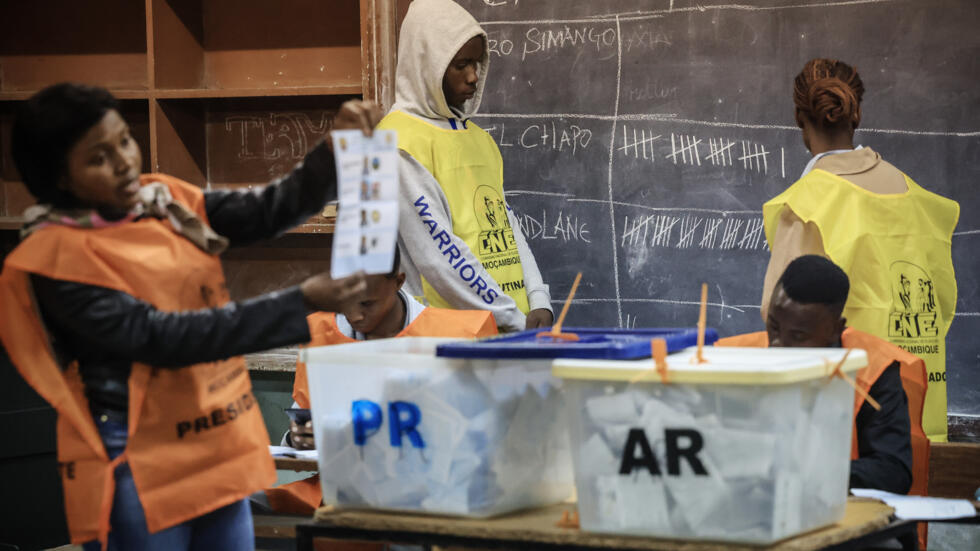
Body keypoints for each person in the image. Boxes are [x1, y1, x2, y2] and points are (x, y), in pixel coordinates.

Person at [0, 83, 381, 550]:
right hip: (139, 455)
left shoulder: (164, 202)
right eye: (99, 158)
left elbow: (265, 211)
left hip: (213, 434)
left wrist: (333, 154)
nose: (124, 162)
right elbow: (162, 337)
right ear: (60, 179)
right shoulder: (55, 257)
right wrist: (299, 301)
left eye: (124, 140)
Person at [760, 58, 959, 442]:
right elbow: (944, 303)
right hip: (919, 413)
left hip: (849, 421)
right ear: (857, 114)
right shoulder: (917, 197)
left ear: (799, 119)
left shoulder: (809, 204)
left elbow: (779, 316)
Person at [264, 246, 498, 514]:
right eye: (343, 301)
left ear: (398, 281)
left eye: (367, 303)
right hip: (342, 493)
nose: (354, 315)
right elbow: (300, 432)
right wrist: (299, 439)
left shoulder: (456, 338)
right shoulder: (320, 334)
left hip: (434, 494)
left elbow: (486, 442)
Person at [718, 255, 929, 545]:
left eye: (798, 335)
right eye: (774, 326)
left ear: (835, 329)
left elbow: (892, 471)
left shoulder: (873, 370)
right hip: (755, 512)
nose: (777, 345)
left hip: (843, 518)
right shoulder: (734, 358)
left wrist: (803, 476)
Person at [376, 0, 554, 333]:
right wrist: (514, 319)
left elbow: (507, 226)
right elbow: (439, 256)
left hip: (504, 332)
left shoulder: (479, 140)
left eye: (477, 63)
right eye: (461, 65)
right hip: (445, 339)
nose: (474, 77)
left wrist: (537, 298)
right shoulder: (397, 142)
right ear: (426, 65)